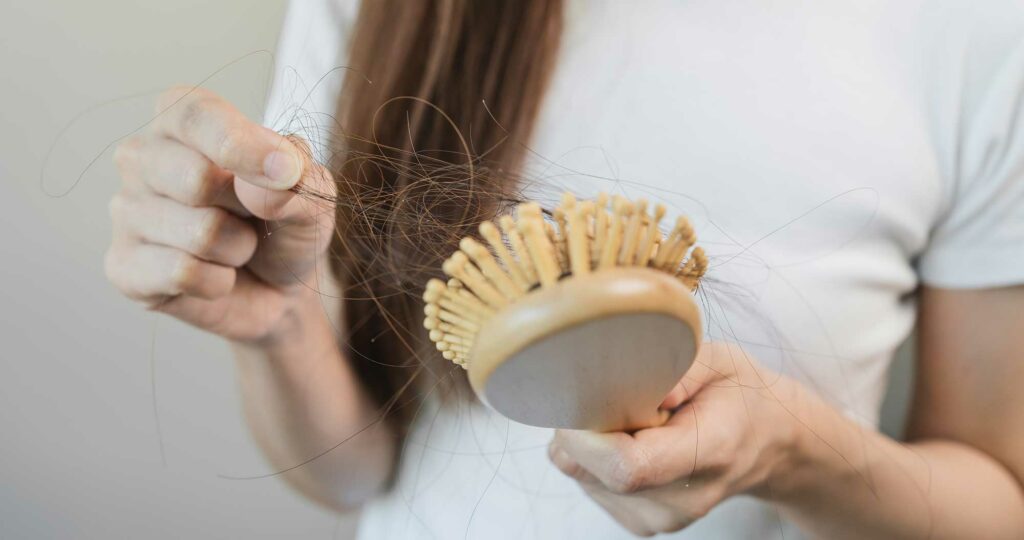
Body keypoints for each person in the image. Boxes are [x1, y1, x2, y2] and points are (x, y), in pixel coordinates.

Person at [104, 0, 1024, 538]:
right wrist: (279, 323)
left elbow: (998, 504)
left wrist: (794, 455)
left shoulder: (975, 31)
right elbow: (355, 476)